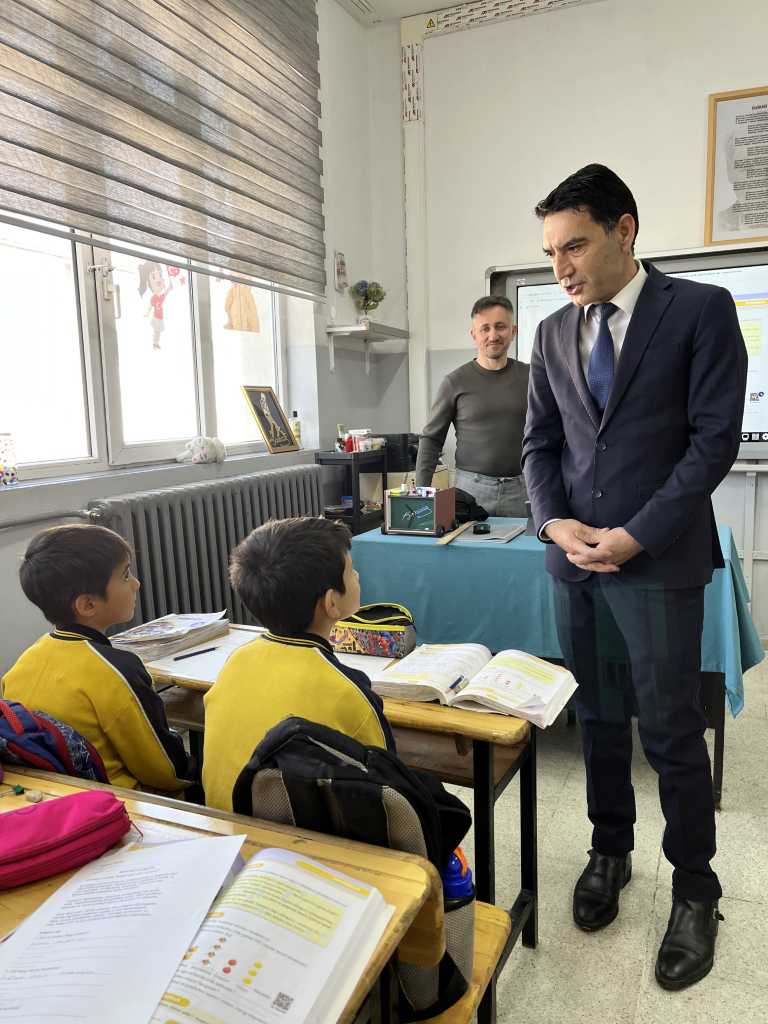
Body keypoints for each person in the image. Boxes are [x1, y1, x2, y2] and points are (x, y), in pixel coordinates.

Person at [522, 164, 747, 991]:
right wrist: (554, 523)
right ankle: (609, 850)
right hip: (574, 563)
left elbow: (713, 442)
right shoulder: (552, 332)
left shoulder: (699, 310)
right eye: (551, 253)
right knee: (598, 717)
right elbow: (540, 445)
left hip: (657, 561)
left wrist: (634, 535)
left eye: (575, 245)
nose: (561, 268)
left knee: (672, 731)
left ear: (625, 230)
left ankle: (695, 889)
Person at [202, 517, 395, 812]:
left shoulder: (235, 662)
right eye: (350, 570)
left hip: (225, 825)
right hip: (298, 838)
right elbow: (388, 782)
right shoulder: (347, 690)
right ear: (331, 603)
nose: (357, 575)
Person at [3, 524, 194, 793]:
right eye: (125, 575)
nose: (136, 584)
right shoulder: (117, 670)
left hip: (53, 793)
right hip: (119, 800)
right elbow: (165, 770)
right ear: (88, 605)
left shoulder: (25, 661)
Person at [415, 295, 529, 515]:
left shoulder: (532, 377)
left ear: (513, 331)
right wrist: (421, 493)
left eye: (500, 327)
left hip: (523, 490)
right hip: (470, 493)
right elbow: (431, 439)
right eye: (485, 328)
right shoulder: (454, 382)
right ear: (474, 335)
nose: (493, 336)